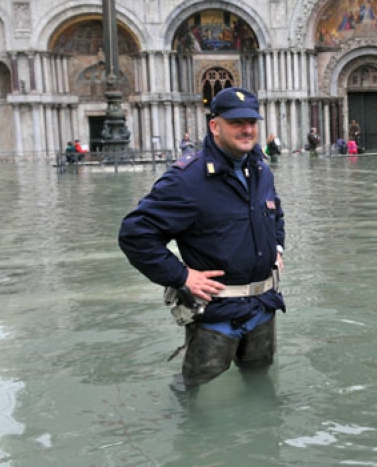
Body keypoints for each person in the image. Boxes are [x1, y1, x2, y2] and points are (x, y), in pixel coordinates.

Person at [118, 86, 285, 391]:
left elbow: (275, 212)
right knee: (201, 395)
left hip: (263, 308)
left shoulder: (261, 169)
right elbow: (135, 234)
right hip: (216, 315)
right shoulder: (187, 179)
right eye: (236, 122)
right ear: (214, 126)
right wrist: (181, 275)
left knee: (260, 384)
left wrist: (276, 246)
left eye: (252, 121)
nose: (247, 129)